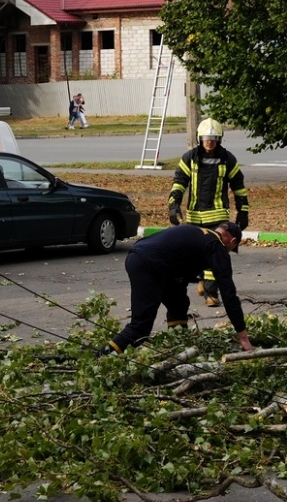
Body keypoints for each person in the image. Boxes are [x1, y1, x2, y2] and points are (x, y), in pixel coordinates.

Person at [106, 221, 252, 354]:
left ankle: (177, 347)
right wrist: (243, 335)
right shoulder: (216, 246)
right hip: (149, 265)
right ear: (232, 241)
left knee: (178, 303)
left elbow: (180, 270)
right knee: (140, 327)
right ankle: (102, 358)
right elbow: (229, 294)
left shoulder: (199, 233)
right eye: (232, 249)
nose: (228, 252)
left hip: (140, 256)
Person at [168, 118, 248, 307]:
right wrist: (173, 205)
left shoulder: (228, 159)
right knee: (195, 254)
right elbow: (179, 182)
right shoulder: (190, 157)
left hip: (218, 215)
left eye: (213, 137)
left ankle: (211, 294)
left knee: (215, 253)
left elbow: (238, 186)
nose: (209, 141)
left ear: (219, 138)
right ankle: (202, 280)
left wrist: (243, 211)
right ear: (199, 138)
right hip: (195, 216)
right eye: (206, 137)